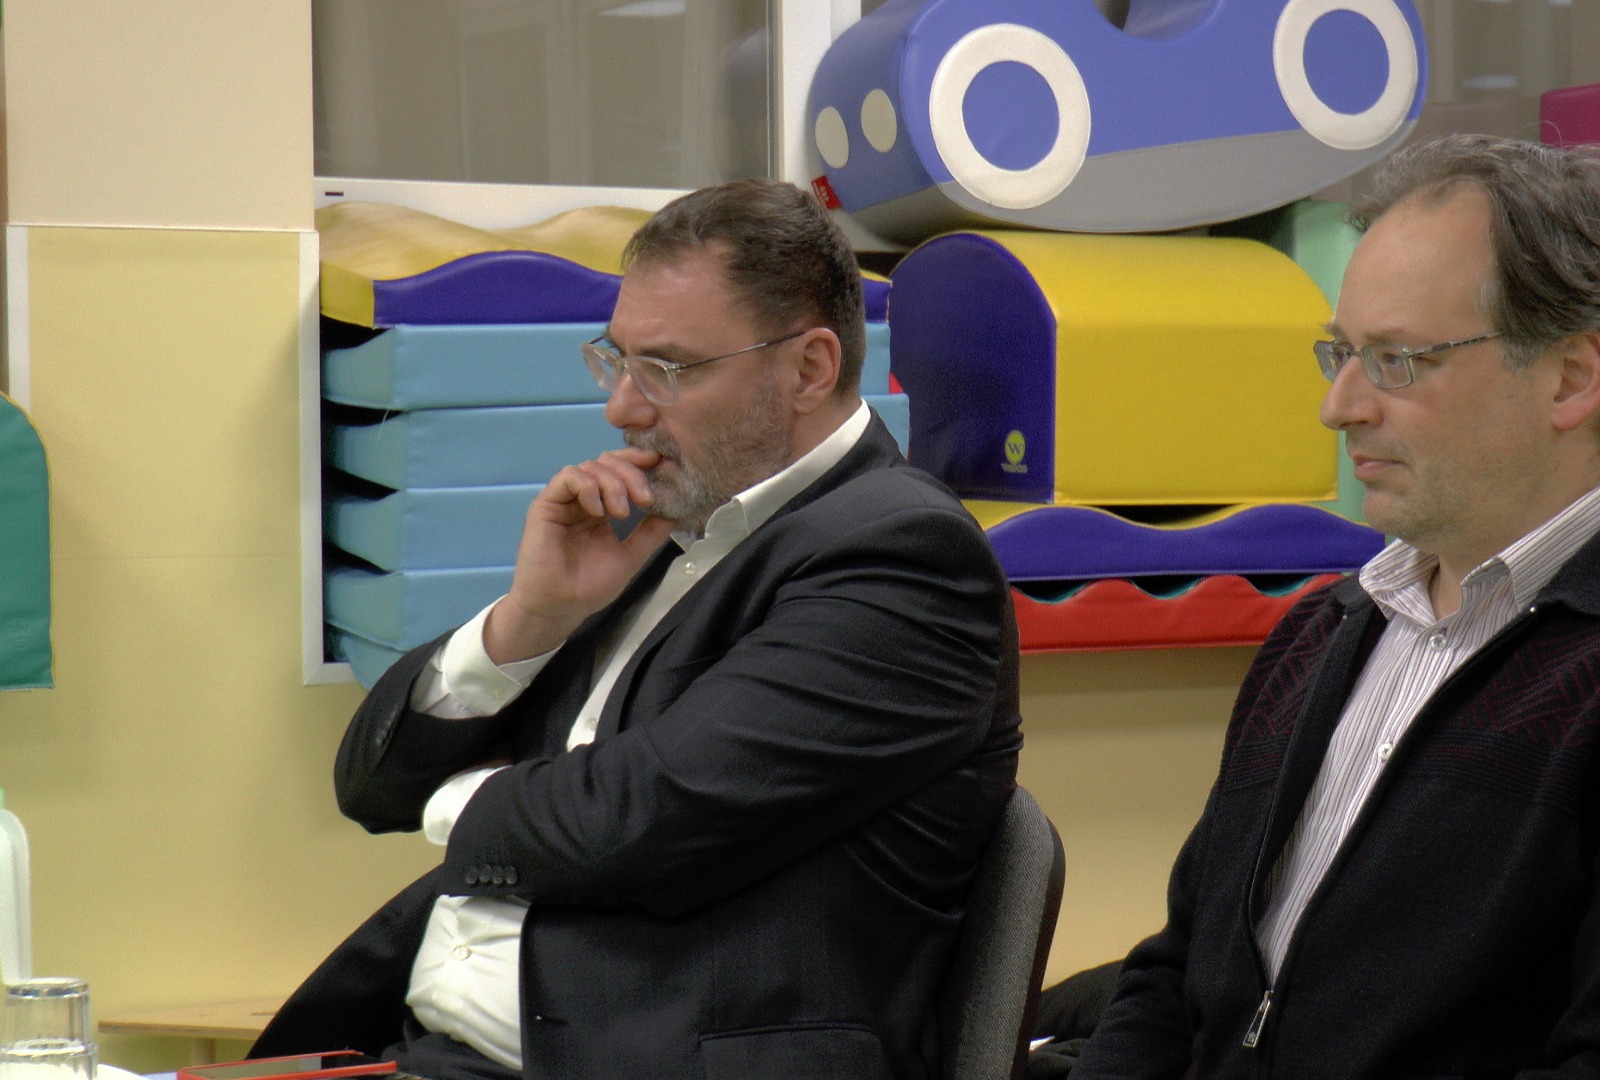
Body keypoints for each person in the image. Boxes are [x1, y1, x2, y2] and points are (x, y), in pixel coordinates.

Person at [1071, 135, 1600, 1079]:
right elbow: (1175, 979)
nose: (1340, 407)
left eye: (1397, 361)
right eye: (1341, 354)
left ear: (1572, 378)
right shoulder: (1323, 632)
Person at [254, 179, 1023, 1080]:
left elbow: (639, 819)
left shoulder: (902, 555)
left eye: (668, 369)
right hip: (429, 1051)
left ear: (809, 369)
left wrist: (463, 800)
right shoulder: (670, 523)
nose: (621, 408)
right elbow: (373, 787)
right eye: (616, 361)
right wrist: (531, 619)